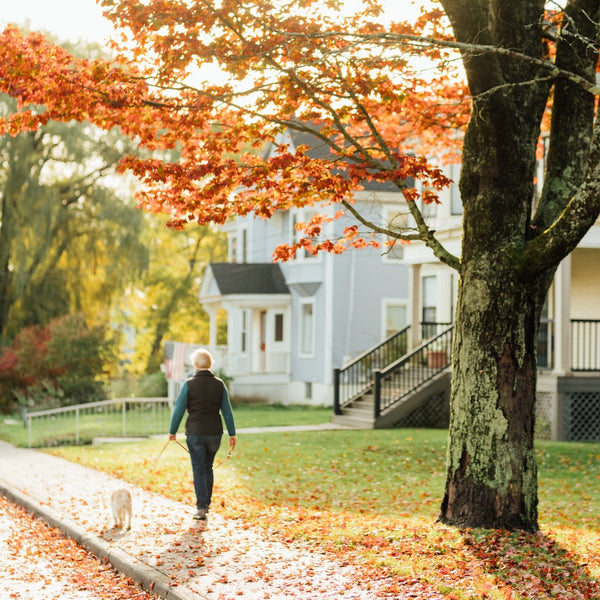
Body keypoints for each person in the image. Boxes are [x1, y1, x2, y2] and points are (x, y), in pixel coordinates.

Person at [168, 348, 236, 520]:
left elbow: (178, 410)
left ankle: (201, 508)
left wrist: (172, 431)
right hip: (215, 433)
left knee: (198, 468)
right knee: (208, 467)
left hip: (195, 433)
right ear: (210, 364)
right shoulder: (219, 384)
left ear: (196, 364)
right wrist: (232, 434)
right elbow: (227, 412)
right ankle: (207, 504)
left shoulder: (189, 384)